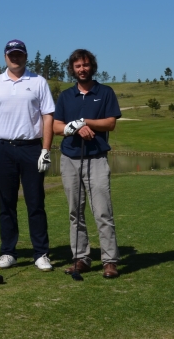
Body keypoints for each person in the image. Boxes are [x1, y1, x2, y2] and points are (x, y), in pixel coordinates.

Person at [0, 39, 56, 271]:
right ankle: (8, 252)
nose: (15, 58)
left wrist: (45, 149)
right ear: (5, 57)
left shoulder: (38, 82)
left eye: (19, 54)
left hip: (31, 148)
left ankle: (41, 253)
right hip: (2, 148)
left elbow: (48, 117)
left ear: (25, 56)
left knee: (35, 202)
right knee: (6, 202)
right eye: (11, 54)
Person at [53, 49, 122, 279]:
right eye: (77, 66)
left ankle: (109, 260)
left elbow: (110, 123)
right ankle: (81, 257)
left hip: (97, 159)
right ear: (72, 69)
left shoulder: (105, 92)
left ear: (92, 66)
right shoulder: (65, 96)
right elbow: (55, 127)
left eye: (85, 65)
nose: (82, 69)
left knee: (102, 211)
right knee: (75, 212)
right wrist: (73, 127)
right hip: (70, 159)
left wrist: (85, 122)